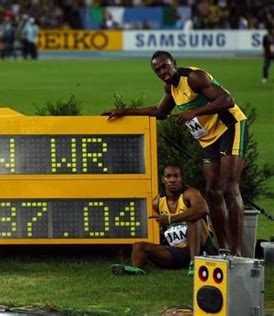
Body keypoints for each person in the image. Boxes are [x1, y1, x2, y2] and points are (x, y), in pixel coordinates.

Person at [102, 51, 248, 256]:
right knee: (212, 191)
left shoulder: (194, 77)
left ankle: (237, 252)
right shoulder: (171, 87)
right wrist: (125, 111)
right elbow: (161, 112)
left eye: (165, 66)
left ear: (174, 64)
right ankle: (224, 249)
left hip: (230, 126)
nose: (162, 71)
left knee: (229, 187)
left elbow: (227, 100)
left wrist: (194, 112)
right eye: (157, 70)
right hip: (208, 139)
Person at [111, 165, 217, 276]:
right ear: (163, 179)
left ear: (182, 178)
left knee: (195, 220)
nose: (172, 180)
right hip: (175, 251)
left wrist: (171, 219)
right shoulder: (157, 202)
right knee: (138, 245)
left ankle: (194, 263)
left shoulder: (190, 193)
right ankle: (136, 269)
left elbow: (203, 209)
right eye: (168, 176)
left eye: (176, 176)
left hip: (199, 248)